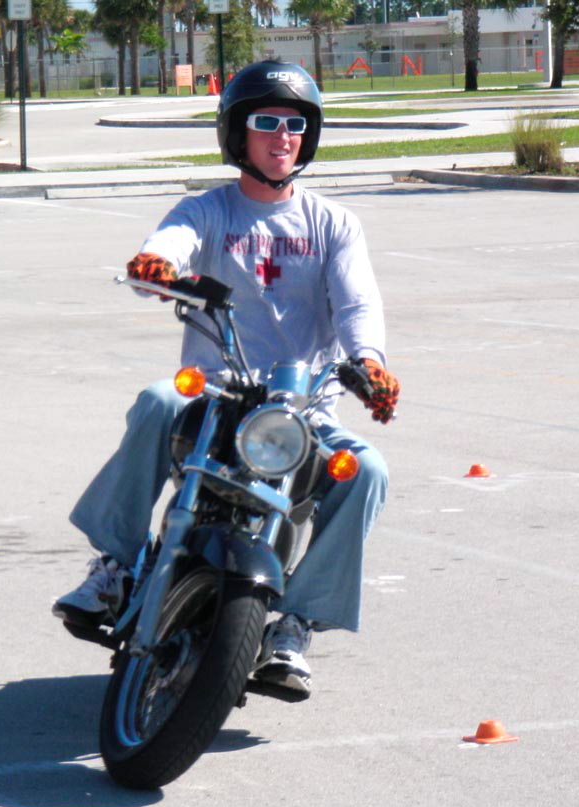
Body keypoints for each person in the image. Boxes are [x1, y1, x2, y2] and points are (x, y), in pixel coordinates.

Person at [51, 60, 399, 698]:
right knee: (157, 400)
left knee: (368, 470)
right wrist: (157, 266)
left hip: (302, 411)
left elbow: (356, 304)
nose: (282, 136)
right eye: (266, 122)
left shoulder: (335, 224)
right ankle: (116, 567)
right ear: (237, 132)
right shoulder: (206, 210)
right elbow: (168, 247)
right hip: (218, 394)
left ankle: (294, 624)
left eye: (295, 124)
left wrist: (369, 361)